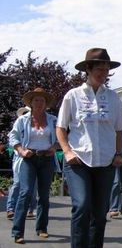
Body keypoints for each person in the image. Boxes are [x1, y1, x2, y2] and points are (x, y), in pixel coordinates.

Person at [56, 48, 122, 248]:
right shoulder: (73, 95)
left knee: (100, 213)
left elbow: (120, 129)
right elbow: (61, 127)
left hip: (105, 161)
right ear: (88, 69)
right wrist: (67, 152)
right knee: (82, 206)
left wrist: (119, 154)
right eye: (99, 69)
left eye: (106, 70)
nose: (104, 73)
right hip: (78, 160)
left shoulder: (113, 98)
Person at [8, 88, 58, 244]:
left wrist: (54, 148)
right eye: (36, 100)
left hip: (47, 159)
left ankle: (42, 228)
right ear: (30, 103)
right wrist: (21, 150)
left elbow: (62, 137)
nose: (39, 103)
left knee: (44, 195)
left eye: (42, 100)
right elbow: (13, 136)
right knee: (26, 192)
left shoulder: (53, 120)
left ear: (46, 104)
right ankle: (17, 232)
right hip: (29, 158)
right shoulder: (22, 120)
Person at [6, 106, 38, 221]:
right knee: (18, 182)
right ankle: (10, 208)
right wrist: (20, 150)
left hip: (33, 156)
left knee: (33, 185)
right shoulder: (19, 124)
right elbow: (12, 139)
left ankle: (31, 209)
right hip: (19, 157)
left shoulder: (36, 126)